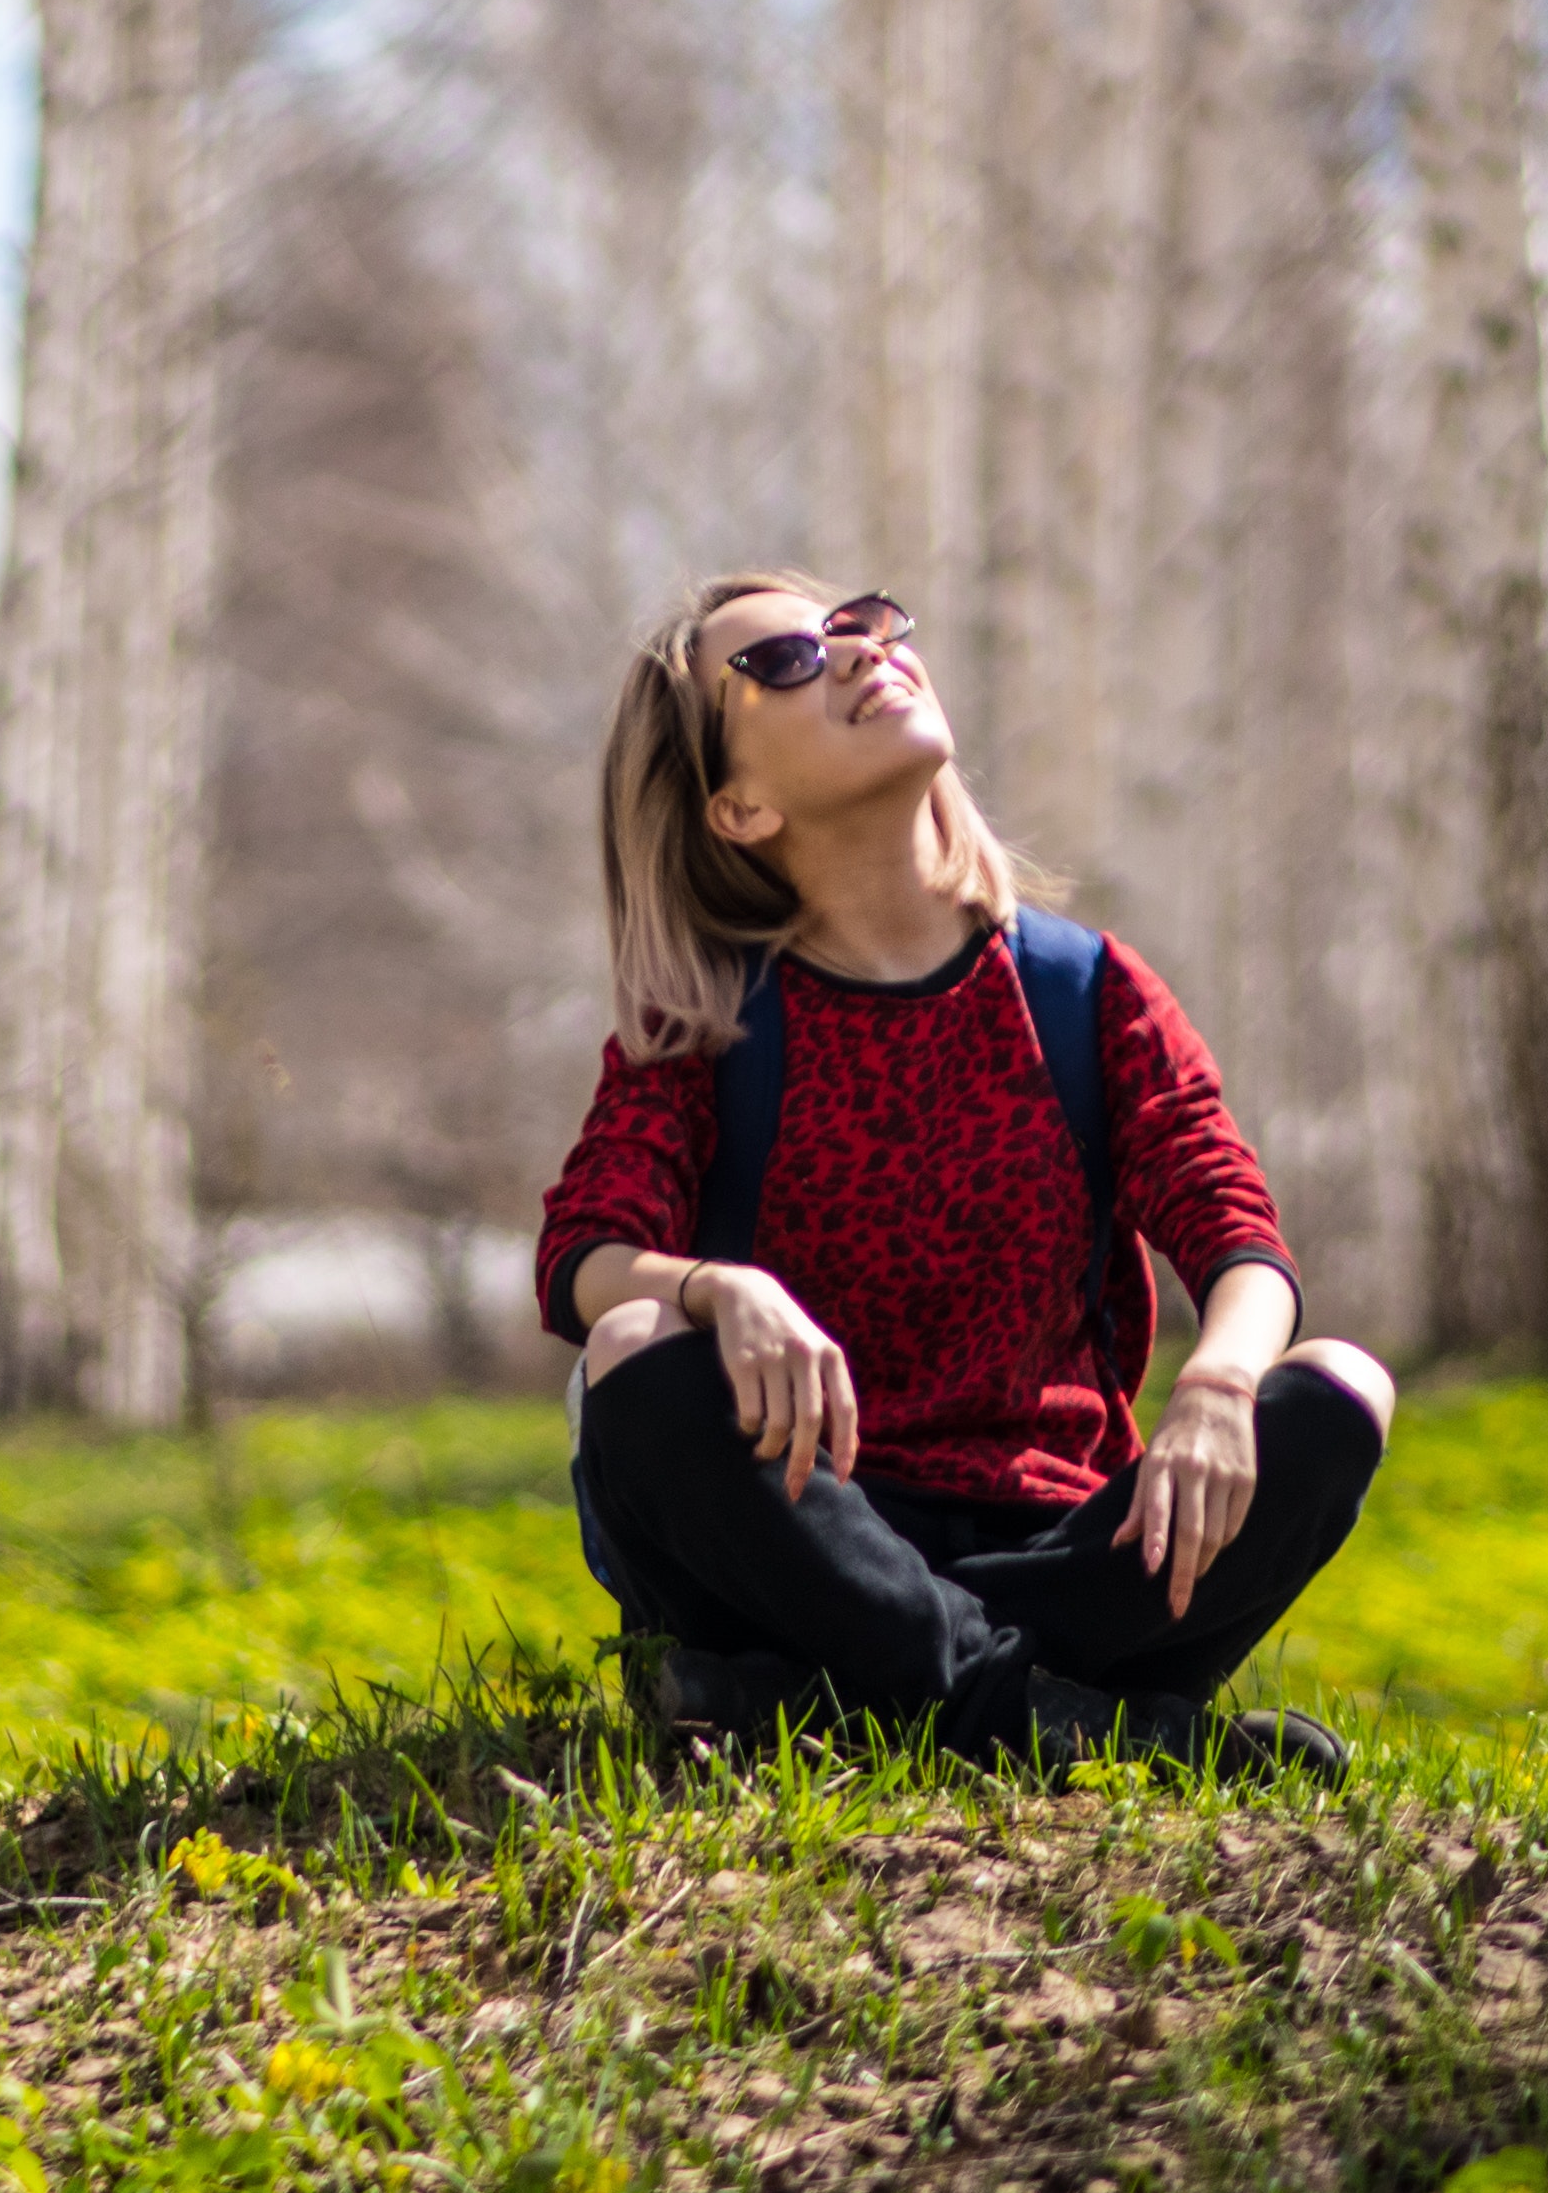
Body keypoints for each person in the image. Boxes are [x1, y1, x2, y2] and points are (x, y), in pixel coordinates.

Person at [533, 568, 1392, 1773]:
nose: (851, 652)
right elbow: (580, 1256)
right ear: (735, 808)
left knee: (1340, 1387)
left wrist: (1214, 1384)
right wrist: (716, 1287)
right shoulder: (708, 1019)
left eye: (859, 623)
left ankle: (829, 1702)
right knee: (632, 1345)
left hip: (1066, 1550)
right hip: (806, 1537)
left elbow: (1236, 1231)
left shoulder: (1085, 992)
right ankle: (1063, 1722)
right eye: (780, 661)